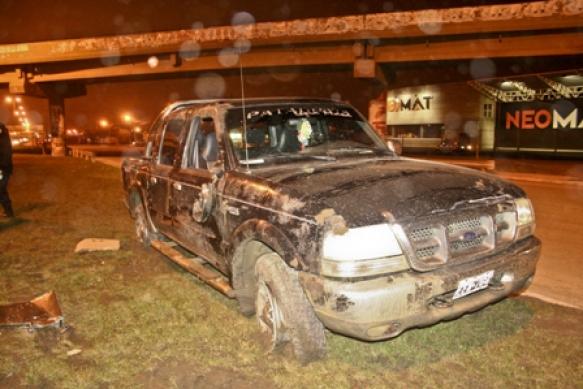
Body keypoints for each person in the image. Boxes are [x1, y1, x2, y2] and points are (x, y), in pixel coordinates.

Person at [0, 122, 14, 218]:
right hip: (3, 167)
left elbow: (6, 153)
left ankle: (8, 212)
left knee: (0, 190)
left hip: (2, 168)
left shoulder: (3, 136)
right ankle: (8, 212)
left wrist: (1, 168)